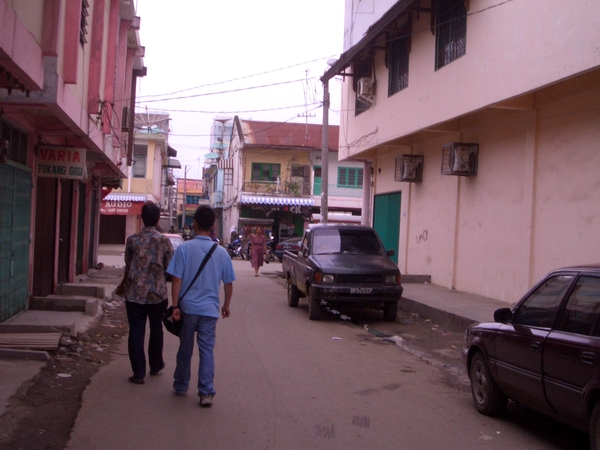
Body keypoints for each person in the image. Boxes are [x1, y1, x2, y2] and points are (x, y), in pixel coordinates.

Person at [167, 205, 236, 407]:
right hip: (209, 311)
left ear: (194, 224)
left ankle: (181, 385)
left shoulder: (184, 249)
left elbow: (176, 279)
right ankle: (206, 393)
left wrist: (175, 306)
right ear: (213, 225)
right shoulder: (221, 252)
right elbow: (228, 283)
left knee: (185, 347)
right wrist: (226, 305)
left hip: (187, 308)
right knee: (206, 351)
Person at [116, 202, 173, 385]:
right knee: (156, 329)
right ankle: (155, 365)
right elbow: (170, 268)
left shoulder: (132, 240)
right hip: (157, 294)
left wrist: (123, 284)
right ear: (157, 219)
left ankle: (138, 373)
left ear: (141, 218)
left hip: (134, 295)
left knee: (136, 331)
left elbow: (128, 265)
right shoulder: (164, 241)